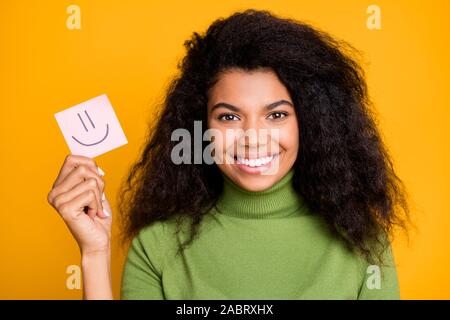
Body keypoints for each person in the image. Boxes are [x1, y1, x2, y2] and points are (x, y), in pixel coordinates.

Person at [47, 9, 409, 300]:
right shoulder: (156, 246)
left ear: (311, 123)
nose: (252, 138)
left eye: (277, 114)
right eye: (229, 116)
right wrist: (94, 255)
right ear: (201, 127)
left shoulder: (362, 243)